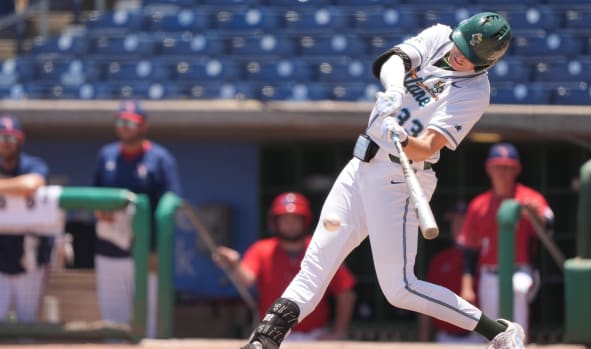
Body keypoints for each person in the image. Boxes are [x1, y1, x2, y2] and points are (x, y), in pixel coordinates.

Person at [240, 11, 525, 349]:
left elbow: (429, 146)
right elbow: (395, 59)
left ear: (486, 63)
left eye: (471, 55)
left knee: (399, 288)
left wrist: (401, 137)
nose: (459, 54)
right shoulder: (439, 36)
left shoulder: (474, 91)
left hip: (399, 179)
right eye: (460, 45)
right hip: (360, 167)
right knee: (316, 264)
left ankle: (500, 332)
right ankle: (264, 342)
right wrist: (393, 89)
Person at [92, 100, 182, 336]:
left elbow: (171, 203)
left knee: (149, 322)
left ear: (144, 126)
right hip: (110, 247)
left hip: (146, 252)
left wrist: (156, 250)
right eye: (121, 122)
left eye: (132, 122)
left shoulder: (160, 158)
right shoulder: (106, 155)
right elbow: (94, 196)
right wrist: (99, 210)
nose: (126, 127)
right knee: (113, 322)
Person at [214, 192, 356, 341]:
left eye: (295, 219)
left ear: (304, 221)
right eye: (285, 220)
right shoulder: (262, 249)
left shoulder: (321, 249)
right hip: (272, 333)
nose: (290, 225)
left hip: (315, 336)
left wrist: (339, 331)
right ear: (276, 222)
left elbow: (346, 293)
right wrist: (234, 264)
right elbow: (246, 279)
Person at [458, 142, 553, 341]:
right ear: (489, 169)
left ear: (516, 170)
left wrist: (537, 217)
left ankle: (519, 344)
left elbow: (549, 226)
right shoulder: (479, 205)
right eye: (498, 167)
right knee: (490, 330)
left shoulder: (529, 198)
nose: (502, 173)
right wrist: (466, 287)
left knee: (517, 288)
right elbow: (470, 251)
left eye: (508, 168)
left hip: (521, 270)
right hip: (489, 274)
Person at [0, 114, 55, 322]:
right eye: (2, 138)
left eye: (11, 138)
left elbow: (31, 185)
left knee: (28, 323)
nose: (6, 143)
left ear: (20, 140)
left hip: (30, 256)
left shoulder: (33, 164)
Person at [419, 200, 485, 344]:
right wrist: (424, 341)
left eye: (462, 221)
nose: (458, 226)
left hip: (479, 336)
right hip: (446, 337)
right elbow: (426, 302)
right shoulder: (440, 260)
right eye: (454, 222)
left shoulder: (484, 256)